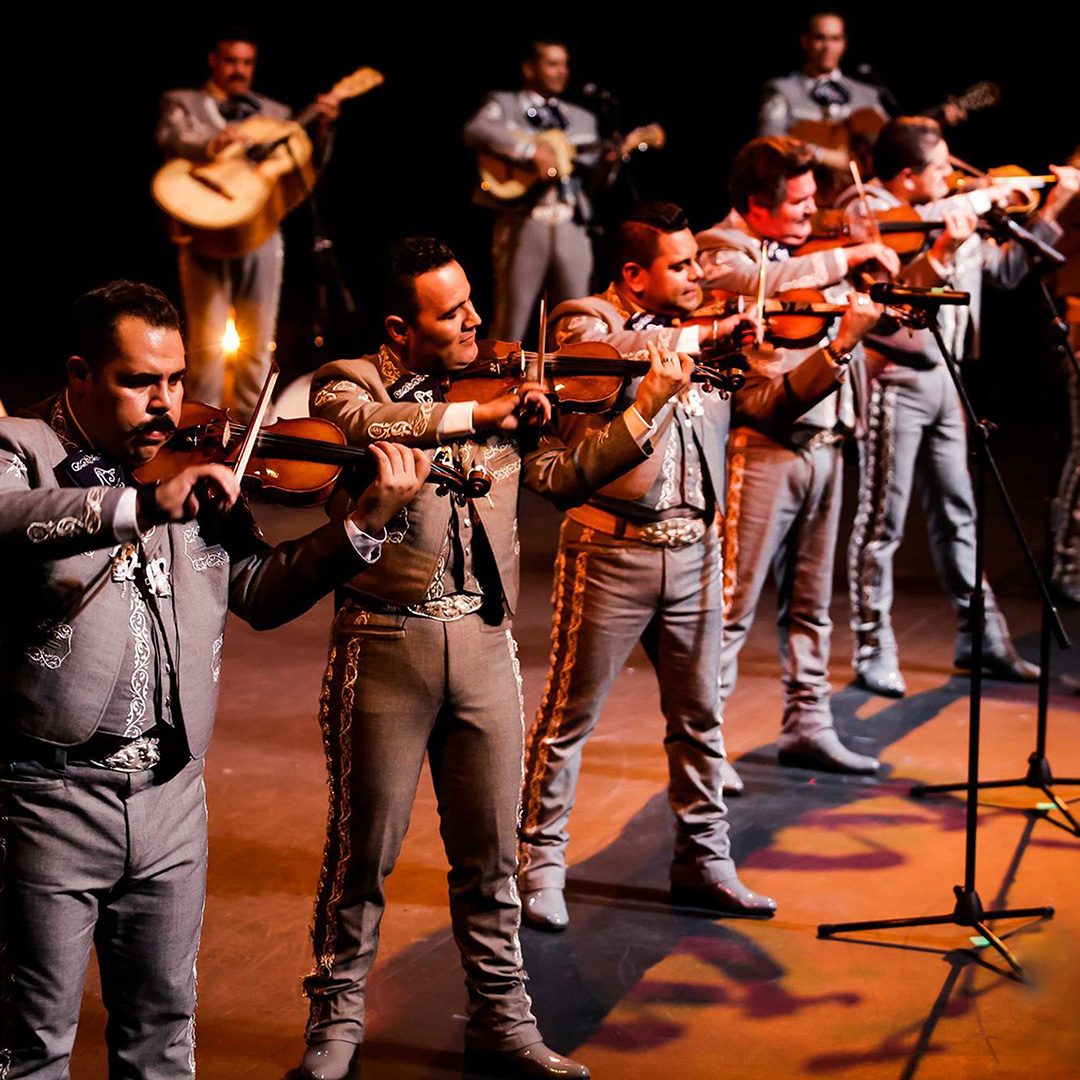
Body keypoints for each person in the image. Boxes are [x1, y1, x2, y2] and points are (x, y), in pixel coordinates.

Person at [0, 280, 425, 1078]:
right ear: (80, 374)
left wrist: (359, 525)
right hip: (48, 799)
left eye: (175, 381)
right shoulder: (23, 447)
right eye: (138, 382)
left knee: (164, 1040)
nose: (165, 405)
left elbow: (259, 594)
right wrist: (135, 505)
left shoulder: (199, 468)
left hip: (173, 800)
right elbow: (7, 521)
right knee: (30, 1049)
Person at [301, 237, 691, 1080]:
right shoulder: (345, 383)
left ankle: (502, 1018)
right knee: (361, 852)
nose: (478, 319)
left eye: (473, 300)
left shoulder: (508, 388)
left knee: (491, 856)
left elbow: (568, 471)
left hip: (484, 642)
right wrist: (481, 416)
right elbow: (367, 429)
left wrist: (644, 407)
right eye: (453, 312)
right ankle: (334, 1026)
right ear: (400, 329)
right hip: (386, 642)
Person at [516, 201, 884, 932]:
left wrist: (838, 346)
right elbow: (612, 361)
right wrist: (710, 330)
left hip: (693, 551)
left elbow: (769, 405)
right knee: (568, 720)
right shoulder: (583, 322)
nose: (698, 275)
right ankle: (539, 864)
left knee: (700, 722)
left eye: (696, 262)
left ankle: (704, 861)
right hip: (611, 550)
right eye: (681, 266)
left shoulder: (711, 339)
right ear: (634, 274)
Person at [837, 117, 1078, 694]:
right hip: (895, 377)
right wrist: (952, 232)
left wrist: (1057, 200)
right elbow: (889, 294)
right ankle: (873, 646)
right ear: (907, 176)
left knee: (958, 511)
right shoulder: (868, 209)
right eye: (941, 167)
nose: (951, 175)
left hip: (947, 379)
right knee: (881, 522)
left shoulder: (953, 209)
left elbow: (1010, 270)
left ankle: (983, 639)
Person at [695, 136, 903, 780]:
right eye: (802, 202)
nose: (815, 214)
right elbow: (766, 279)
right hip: (762, 448)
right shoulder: (717, 251)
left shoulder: (811, 254)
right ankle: (706, 745)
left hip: (826, 441)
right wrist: (847, 255)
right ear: (758, 206)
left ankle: (807, 725)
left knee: (813, 604)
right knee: (731, 606)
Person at [155, 28, 340, 419]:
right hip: (205, 234)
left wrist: (324, 129)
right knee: (205, 346)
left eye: (246, 62)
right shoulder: (184, 101)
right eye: (231, 61)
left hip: (260, 234)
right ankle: (197, 427)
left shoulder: (277, 114)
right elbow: (170, 135)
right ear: (214, 61)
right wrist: (211, 141)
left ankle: (254, 435)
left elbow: (307, 171)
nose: (239, 70)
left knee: (258, 346)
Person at [463, 39, 601, 341]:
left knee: (578, 318)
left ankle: (579, 385)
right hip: (523, 219)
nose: (561, 71)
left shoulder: (582, 117)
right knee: (512, 316)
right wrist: (529, 151)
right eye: (552, 63)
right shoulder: (504, 103)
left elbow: (594, 167)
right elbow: (475, 130)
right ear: (529, 68)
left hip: (569, 220)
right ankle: (495, 384)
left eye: (564, 64)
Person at [757, 12, 889, 178]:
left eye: (835, 39)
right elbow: (768, 140)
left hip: (860, 188)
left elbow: (890, 142)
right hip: (805, 186)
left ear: (844, 43)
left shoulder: (867, 93)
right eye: (820, 38)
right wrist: (823, 155)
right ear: (806, 42)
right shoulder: (781, 90)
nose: (828, 47)